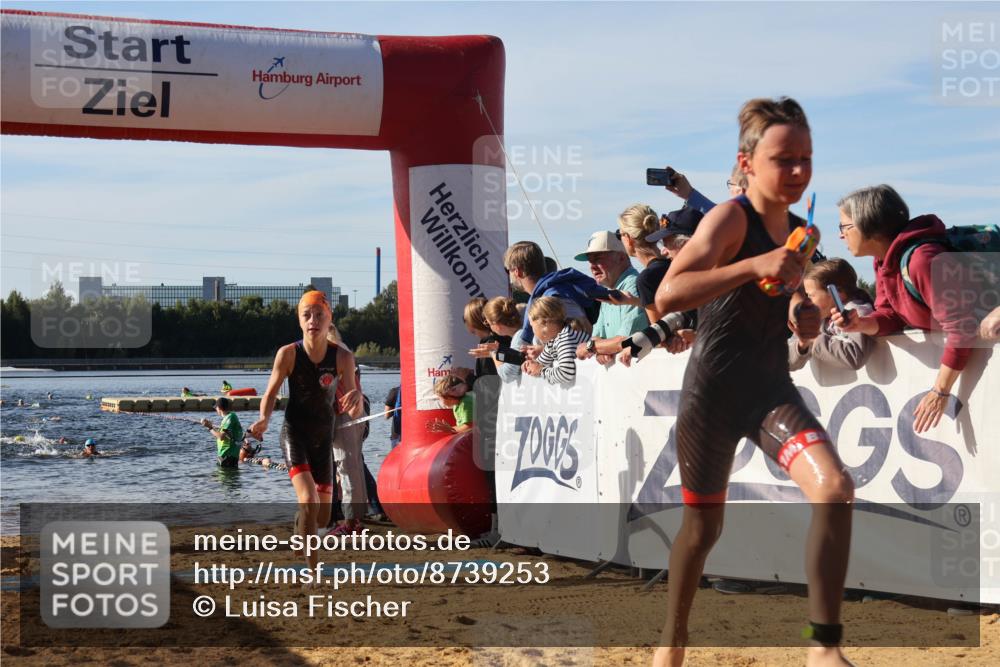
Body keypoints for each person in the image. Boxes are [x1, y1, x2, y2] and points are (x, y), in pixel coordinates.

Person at [652, 97, 855, 667]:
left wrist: (801, 314)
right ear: (747, 162)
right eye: (783, 159)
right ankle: (672, 639)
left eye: (806, 159)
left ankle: (824, 649)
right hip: (712, 395)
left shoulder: (802, 232)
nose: (797, 172)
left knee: (835, 490)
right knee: (702, 530)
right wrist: (752, 267)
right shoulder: (728, 218)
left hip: (770, 391)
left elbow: (781, 292)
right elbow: (666, 296)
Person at [832, 184, 982, 433]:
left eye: (844, 227)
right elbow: (891, 315)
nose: (840, 236)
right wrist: (861, 324)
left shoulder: (923, 260)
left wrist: (940, 391)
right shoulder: (884, 262)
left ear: (868, 225)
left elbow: (961, 327)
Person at [248, 291, 362, 572]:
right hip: (295, 434)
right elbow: (271, 393)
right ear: (299, 321)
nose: (313, 320)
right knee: (308, 499)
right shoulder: (288, 354)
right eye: (306, 315)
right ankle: (313, 572)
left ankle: (301, 525)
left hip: (323, 439)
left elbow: (354, 409)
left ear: (329, 319)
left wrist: (356, 399)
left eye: (319, 315)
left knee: (321, 518)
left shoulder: (343, 357)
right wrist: (263, 418)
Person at [503, 241, 611, 353]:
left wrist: (544, 352)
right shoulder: (558, 291)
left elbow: (579, 339)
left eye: (508, 271)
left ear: (517, 272)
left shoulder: (556, 297)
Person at [574, 230, 648, 364]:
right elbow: (597, 338)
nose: (592, 266)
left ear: (621, 257)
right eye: (590, 261)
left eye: (598, 259)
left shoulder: (632, 285)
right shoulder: (610, 290)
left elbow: (626, 340)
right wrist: (598, 351)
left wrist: (591, 348)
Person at [789, 259, 876, 371]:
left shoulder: (858, 314)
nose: (806, 301)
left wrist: (815, 338)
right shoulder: (818, 318)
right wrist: (802, 345)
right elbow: (786, 362)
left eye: (810, 296)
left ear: (836, 294)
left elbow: (854, 357)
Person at [326, 322, 369, 537]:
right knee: (354, 466)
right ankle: (357, 518)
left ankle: (351, 521)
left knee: (346, 466)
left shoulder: (333, 356)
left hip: (344, 414)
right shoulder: (344, 352)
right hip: (355, 413)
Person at [521, 296, 591, 387]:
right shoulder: (553, 341)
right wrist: (530, 364)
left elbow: (566, 373)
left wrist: (540, 370)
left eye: (532, 326)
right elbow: (540, 362)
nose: (533, 331)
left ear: (544, 324)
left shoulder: (565, 338)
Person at [464, 297, 510, 385]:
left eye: (465, 319)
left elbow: (490, 387)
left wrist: (466, 377)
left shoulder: (490, 346)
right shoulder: (501, 338)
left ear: (472, 322)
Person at [201, 396, 244, 468]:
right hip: (228, 456)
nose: (216, 410)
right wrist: (211, 427)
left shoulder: (230, 417)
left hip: (227, 456)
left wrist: (210, 427)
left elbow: (221, 437)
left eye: (216, 408)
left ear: (219, 408)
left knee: (223, 478)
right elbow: (226, 434)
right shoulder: (229, 417)